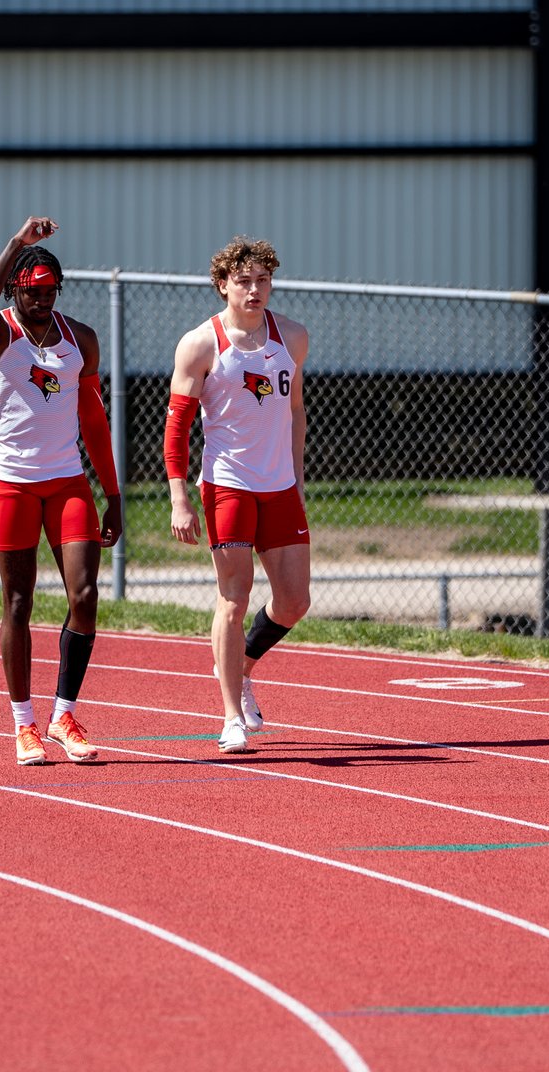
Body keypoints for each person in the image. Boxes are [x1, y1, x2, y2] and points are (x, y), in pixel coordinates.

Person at [0, 215, 122, 766]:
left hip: (67, 482)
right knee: (18, 601)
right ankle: (23, 722)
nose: (42, 300)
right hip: (12, 483)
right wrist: (16, 244)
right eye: (32, 291)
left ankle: (64, 714)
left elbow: (93, 420)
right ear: (15, 289)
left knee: (85, 595)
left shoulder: (80, 339)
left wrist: (113, 494)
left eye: (50, 290)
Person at [164, 236, 310, 754]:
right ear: (223, 285)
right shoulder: (200, 344)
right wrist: (179, 497)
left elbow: (295, 411)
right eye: (244, 281)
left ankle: (241, 666)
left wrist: (296, 478)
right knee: (234, 597)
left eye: (263, 280)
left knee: (295, 601)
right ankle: (231, 716)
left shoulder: (292, 337)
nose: (254, 290)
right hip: (228, 485)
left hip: (280, 487)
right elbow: (177, 427)